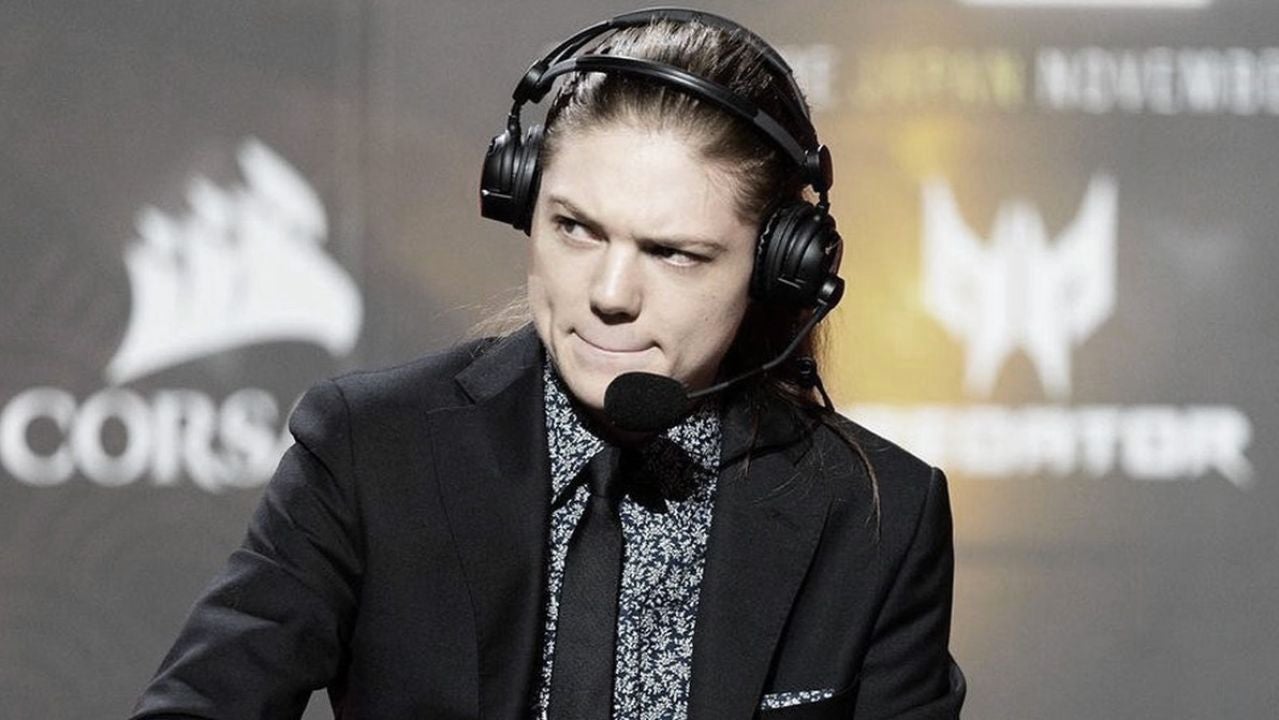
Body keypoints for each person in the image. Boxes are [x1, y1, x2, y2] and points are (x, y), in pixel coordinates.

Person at [130, 8, 965, 719]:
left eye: (672, 253)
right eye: (575, 228)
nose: (608, 293)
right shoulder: (370, 449)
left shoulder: (879, 515)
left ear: (779, 266)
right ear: (522, 202)